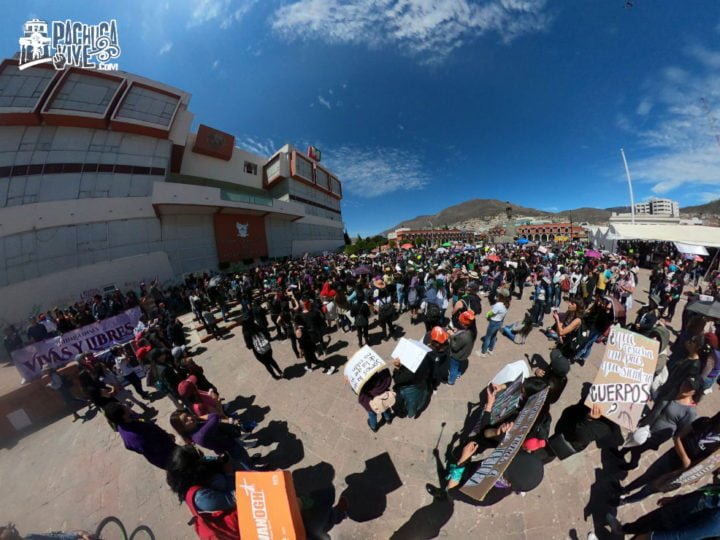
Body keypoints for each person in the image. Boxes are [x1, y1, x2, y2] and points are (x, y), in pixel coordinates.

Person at [618, 412, 720, 505]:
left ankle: (625, 501)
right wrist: (685, 458)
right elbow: (677, 437)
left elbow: (707, 465)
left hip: (680, 472)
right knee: (648, 475)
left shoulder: (717, 448)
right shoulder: (704, 422)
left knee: (650, 489)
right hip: (671, 457)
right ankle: (625, 489)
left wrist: (695, 475)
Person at [165, 445, 240, 538]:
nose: (203, 459)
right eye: (198, 459)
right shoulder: (200, 497)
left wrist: (221, 459)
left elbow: (212, 459)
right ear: (191, 470)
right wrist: (229, 473)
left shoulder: (200, 465)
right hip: (240, 520)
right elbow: (232, 499)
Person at [103, 402, 179, 470]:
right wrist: (167, 439)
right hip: (168, 456)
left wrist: (165, 434)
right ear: (123, 416)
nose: (126, 405)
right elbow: (154, 447)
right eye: (123, 406)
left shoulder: (126, 421)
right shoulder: (135, 437)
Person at [169, 410, 255, 470]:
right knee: (243, 459)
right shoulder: (200, 434)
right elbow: (214, 416)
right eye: (185, 420)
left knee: (243, 459)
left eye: (187, 415)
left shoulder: (194, 429)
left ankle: (250, 464)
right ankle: (255, 472)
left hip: (226, 446)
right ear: (182, 428)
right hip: (230, 448)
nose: (190, 418)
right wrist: (199, 417)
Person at [392, 348, 432, 419]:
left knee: (411, 402)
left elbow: (397, 380)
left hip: (410, 389)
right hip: (421, 384)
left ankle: (411, 413)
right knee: (418, 398)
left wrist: (397, 368)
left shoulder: (408, 372)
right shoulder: (424, 360)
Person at [240, 315, 284, 379]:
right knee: (271, 360)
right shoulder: (256, 326)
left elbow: (249, 346)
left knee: (267, 364)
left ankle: (274, 376)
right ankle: (280, 372)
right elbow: (265, 333)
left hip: (258, 351)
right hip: (267, 347)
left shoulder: (246, 333)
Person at [447, 310, 475, 385]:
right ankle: (458, 374)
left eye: (460, 322)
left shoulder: (463, 337)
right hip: (465, 353)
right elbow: (462, 334)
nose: (459, 323)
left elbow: (455, 347)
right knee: (460, 364)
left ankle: (451, 381)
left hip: (457, 356)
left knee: (453, 368)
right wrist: (457, 331)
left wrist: (452, 335)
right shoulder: (471, 330)